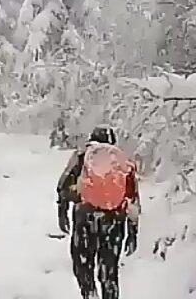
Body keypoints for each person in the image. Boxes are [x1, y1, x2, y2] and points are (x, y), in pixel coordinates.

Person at [56, 126, 140, 299]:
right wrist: (133, 231)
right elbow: (132, 199)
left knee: (83, 264)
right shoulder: (121, 161)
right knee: (109, 271)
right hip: (114, 221)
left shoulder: (81, 157)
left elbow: (63, 187)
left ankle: (90, 294)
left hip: (85, 217)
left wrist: (62, 211)